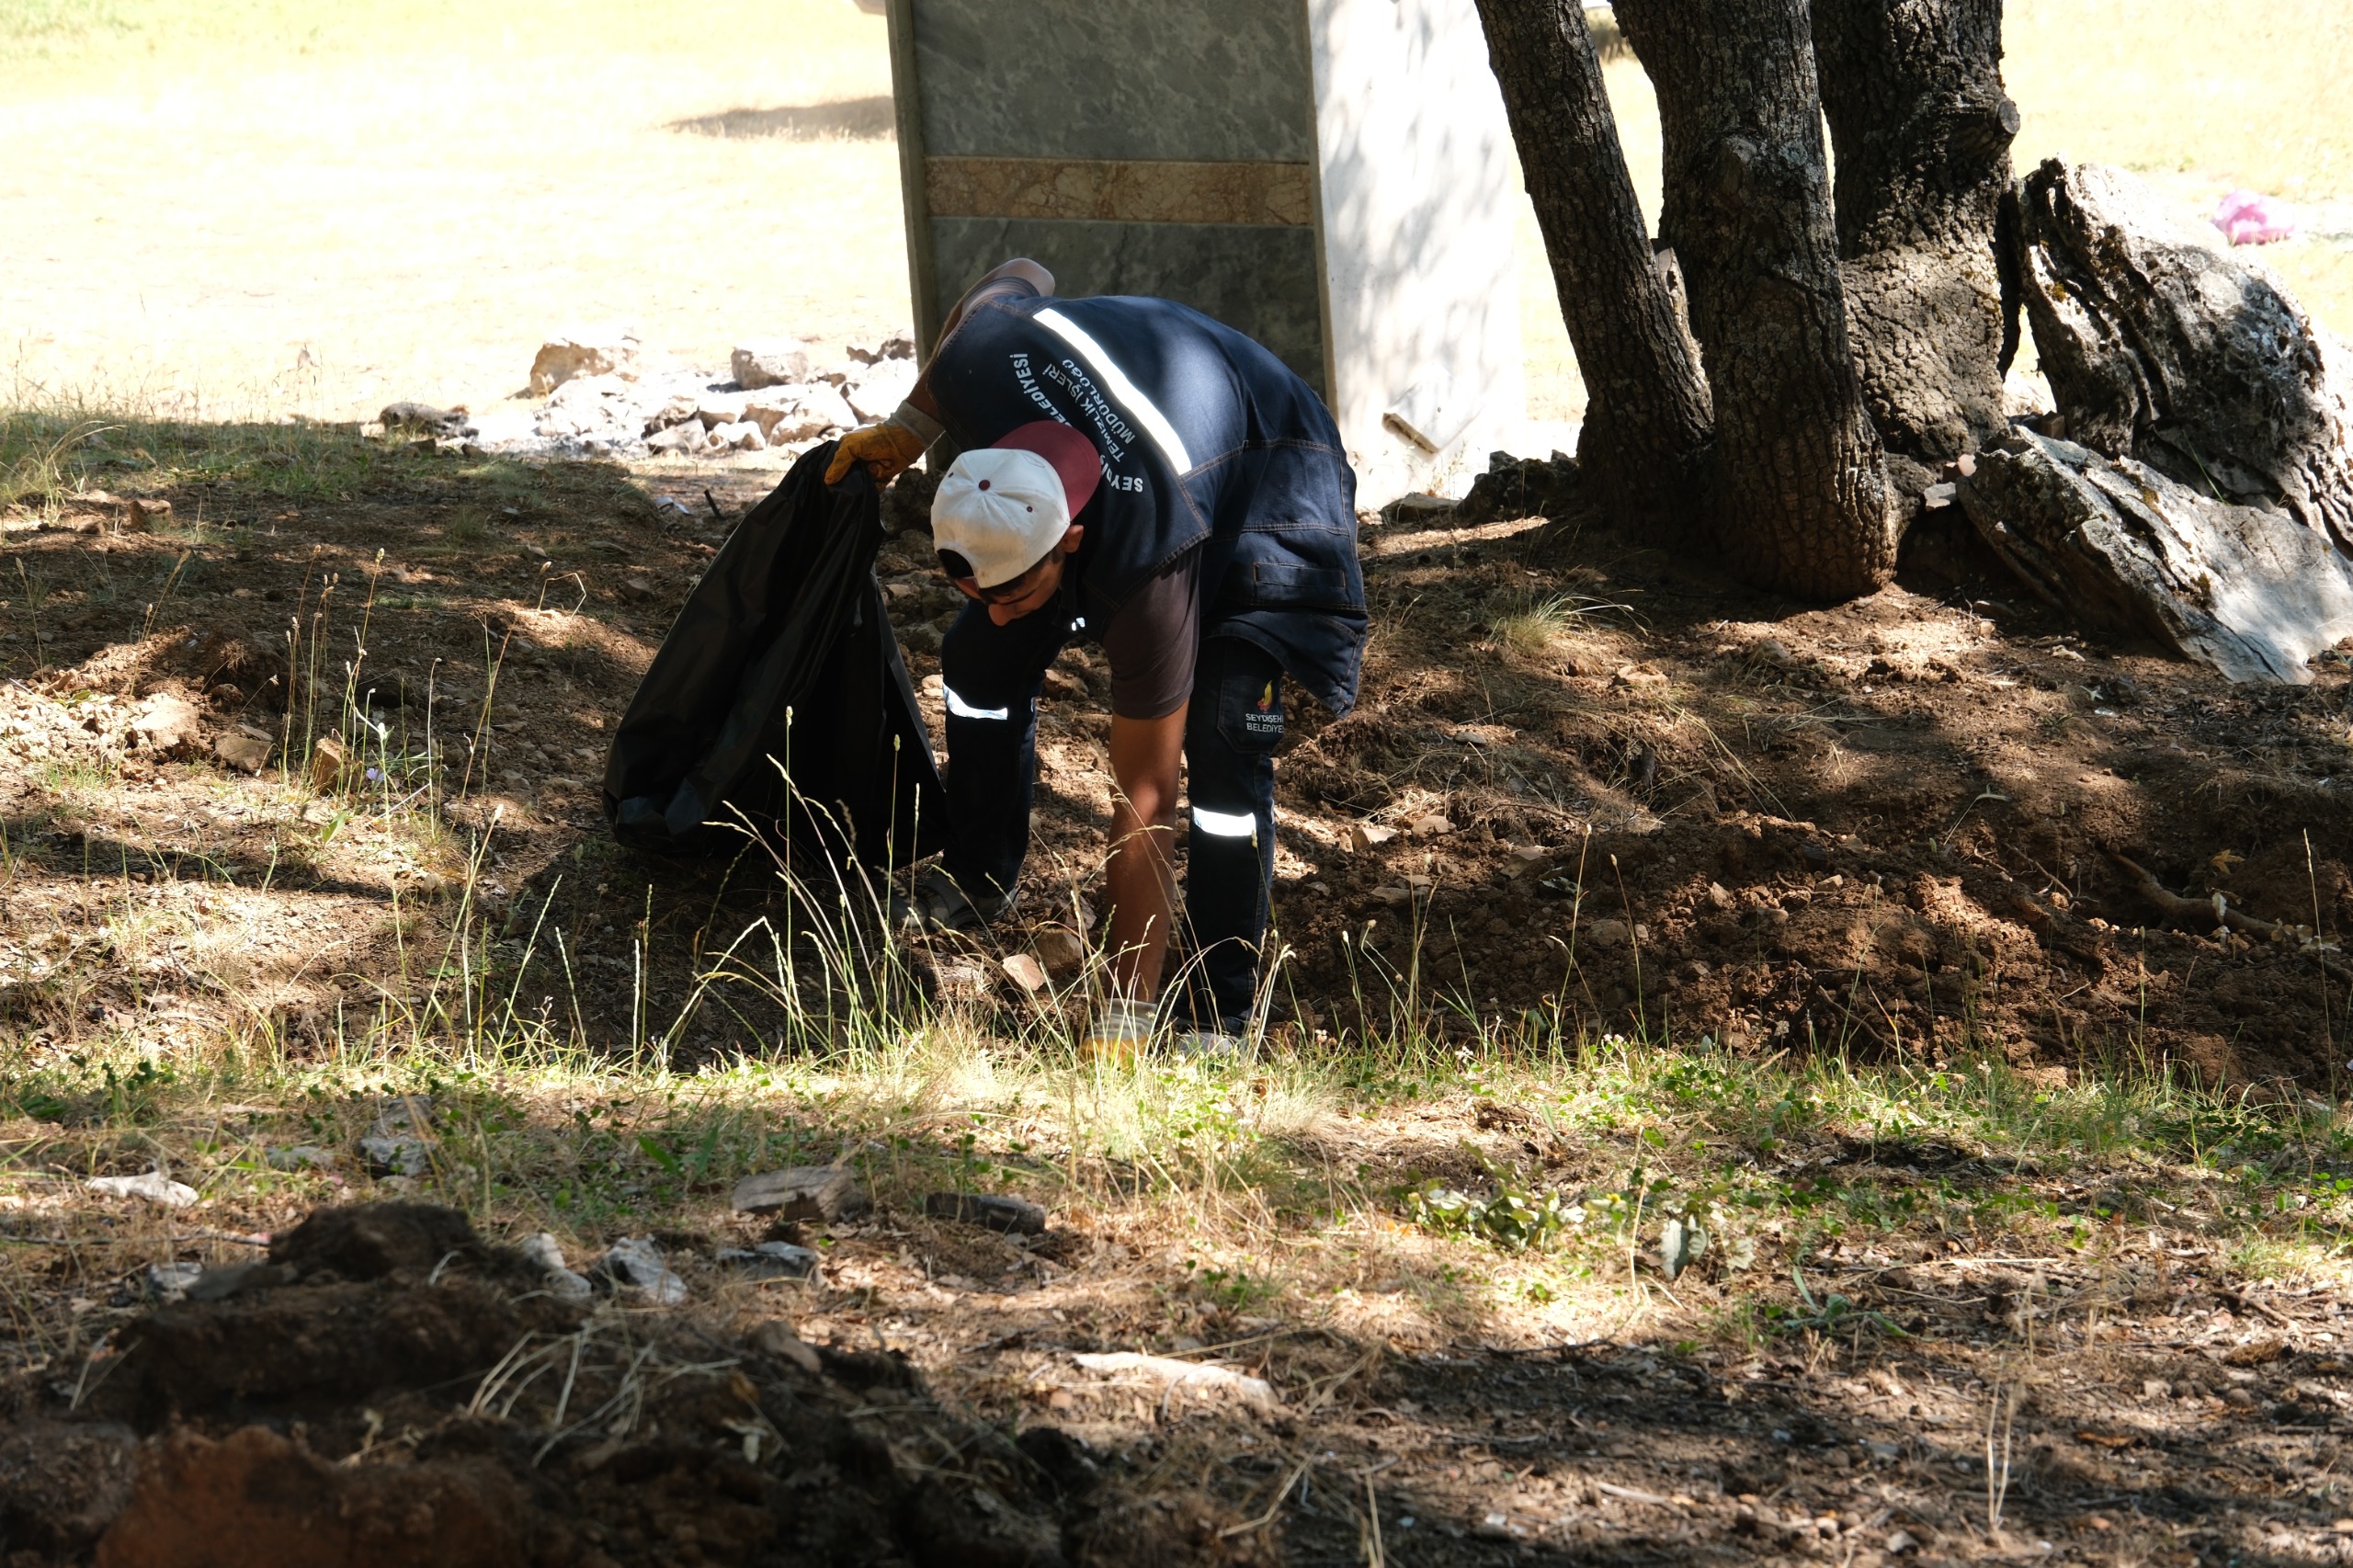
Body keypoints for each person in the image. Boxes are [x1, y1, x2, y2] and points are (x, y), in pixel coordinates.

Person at [826, 259, 1367, 1055]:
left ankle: (1217, 1012)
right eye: (979, 588)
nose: (998, 606)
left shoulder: (1145, 576)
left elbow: (1144, 803)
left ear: (1070, 540)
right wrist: (910, 425)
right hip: (1166, 431)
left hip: (1270, 470)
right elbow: (1020, 273)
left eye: (1013, 589)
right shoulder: (978, 358)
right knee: (978, 660)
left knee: (1223, 745)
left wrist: (1124, 1010)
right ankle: (980, 875)